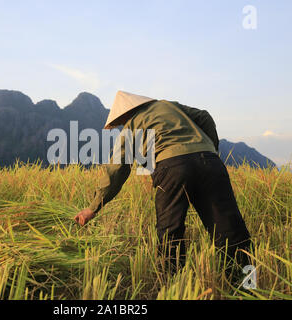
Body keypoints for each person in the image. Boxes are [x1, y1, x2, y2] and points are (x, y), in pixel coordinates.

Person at [74, 90, 251, 276]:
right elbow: (205, 116)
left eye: (120, 121)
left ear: (125, 113)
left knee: (170, 233)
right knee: (232, 230)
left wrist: (93, 208)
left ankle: (172, 285)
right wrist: (209, 150)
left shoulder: (131, 126)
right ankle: (247, 285)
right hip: (210, 162)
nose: (121, 125)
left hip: (172, 169)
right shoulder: (168, 105)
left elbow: (117, 170)